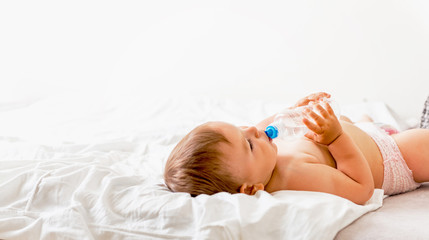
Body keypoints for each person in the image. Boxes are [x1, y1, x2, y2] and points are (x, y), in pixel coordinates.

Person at [164, 92, 429, 205]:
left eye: (240, 127)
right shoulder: (295, 176)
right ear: (251, 188)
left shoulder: (260, 155)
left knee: (360, 121)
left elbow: (271, 123)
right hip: (392, 155)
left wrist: (298, 109)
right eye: (247, 143)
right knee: (421, 143)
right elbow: (362, 189)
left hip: (368, 134)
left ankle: (370, 124)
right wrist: (336, 139)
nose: (253, 130)